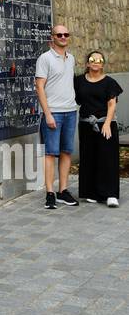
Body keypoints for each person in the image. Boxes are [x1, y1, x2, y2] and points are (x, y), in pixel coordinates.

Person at [35, 24, 80, 210]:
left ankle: (63, 191)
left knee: (66, 152)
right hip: (53, 112)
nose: (63, 37)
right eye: (59, 34)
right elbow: (39, 87)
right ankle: (50, 193)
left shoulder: (71, 59)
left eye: (65, 34)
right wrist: (48, 114)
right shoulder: (44, 58)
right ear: (52, 37)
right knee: (50, 154)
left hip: (70, 111)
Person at [75, 50, 122, 208]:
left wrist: (107, 123)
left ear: (103, 63)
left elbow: (112, 103)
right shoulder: (79, 81)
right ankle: (91, 192)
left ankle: (111, 194)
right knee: (89, 157)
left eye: (99, 60)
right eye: (92, 59)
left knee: (108, 159)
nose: (96, 62)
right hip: (86, 124)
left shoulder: (110, 82)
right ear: (87, 63)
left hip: (105, 123)